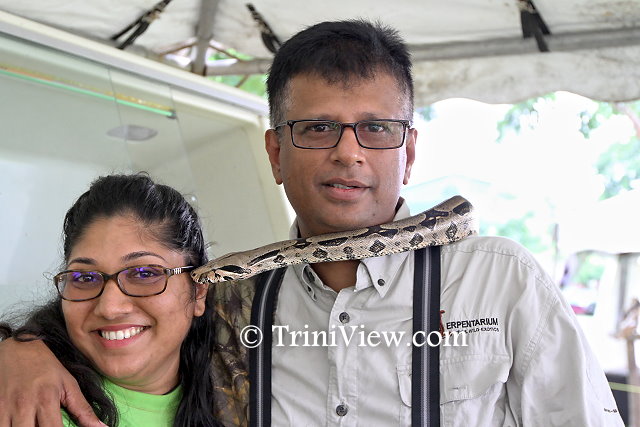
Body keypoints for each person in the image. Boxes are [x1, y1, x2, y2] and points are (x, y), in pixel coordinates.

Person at [0, 20, 623, 427]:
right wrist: (19, 349)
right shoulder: (235, 301)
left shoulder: (499, 280)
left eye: (376, 128)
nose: (348, 153)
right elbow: (126, 330)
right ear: (275, 153)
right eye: (318, 128)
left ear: (408, 153)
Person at [0, 174, 219, 427]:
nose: (110, 308)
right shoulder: (31, 411)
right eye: (84, 277)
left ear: (198, 292)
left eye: (144, 274)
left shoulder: (236, 385)